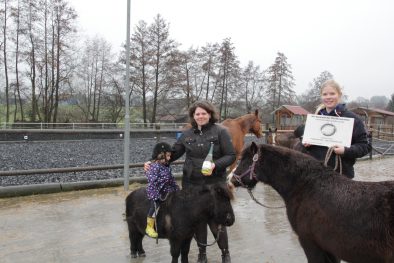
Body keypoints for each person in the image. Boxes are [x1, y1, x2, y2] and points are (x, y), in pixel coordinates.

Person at [145, 100, 236, 263]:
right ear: (193, 116)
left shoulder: (221, 132)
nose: (200, 116)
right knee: (197, 221)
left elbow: (231, 155)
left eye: (203, 113)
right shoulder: (187, 134)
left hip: (215, 186)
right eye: (197, 114)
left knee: (217, 221)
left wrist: (215, 165)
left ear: (210, 114)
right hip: (192, 185)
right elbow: (172, 155)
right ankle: (202, 254)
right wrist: (153, 162)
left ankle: (225, 254)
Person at [295, 79, 370, 178]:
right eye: (325, 94)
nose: (328, 97)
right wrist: (305, 143)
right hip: (315, 175)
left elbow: (365, 146)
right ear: (321, 96)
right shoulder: (316, 118)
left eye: (332, 93)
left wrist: (345, 150)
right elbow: (303, 144)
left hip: (341, 176)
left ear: (339, 94)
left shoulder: (353, 119)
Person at [145, 142, 179, 238]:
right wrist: (157, 195)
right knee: (155, 207)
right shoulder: (154, 167)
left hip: (167, 191)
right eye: (167, 156)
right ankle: (149, 227)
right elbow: (152, 182)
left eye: (169, 156)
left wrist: (176, 189)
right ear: (160, 155)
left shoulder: (166, 166)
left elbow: (171, 179)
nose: (169, 158)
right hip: (156, 191)